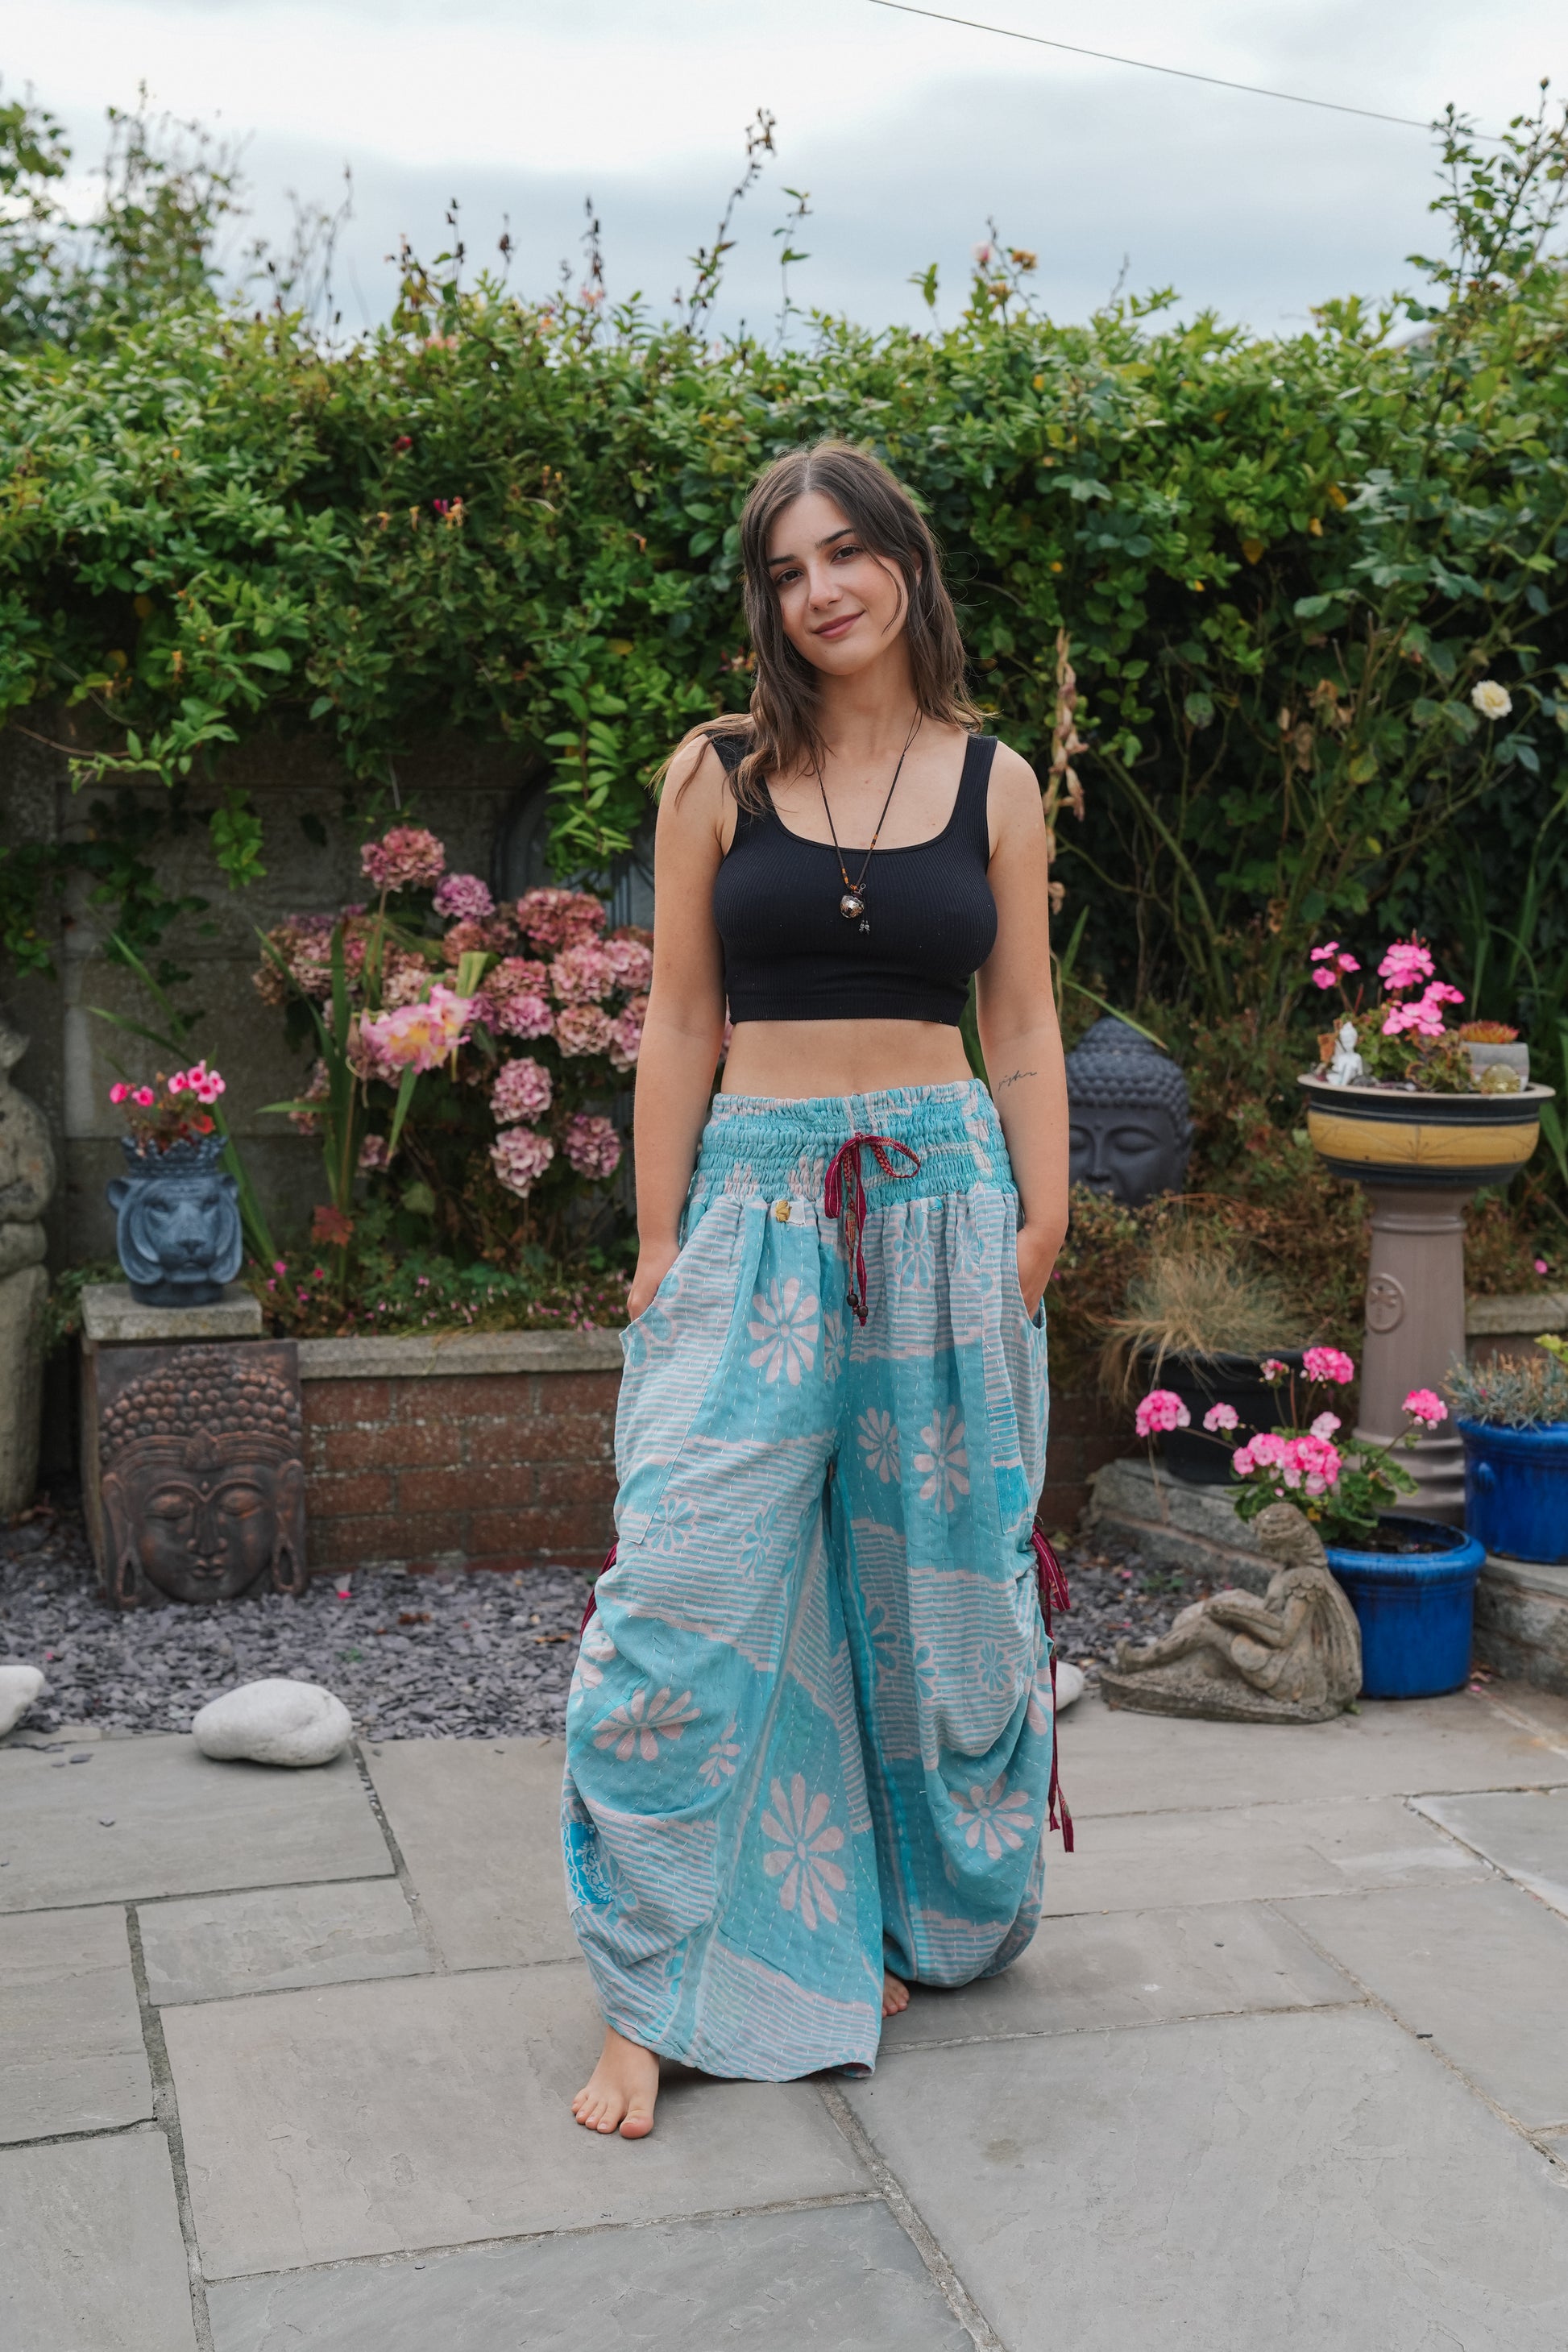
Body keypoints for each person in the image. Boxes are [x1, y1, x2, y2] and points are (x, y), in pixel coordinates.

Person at [563, 438, 1069, 2138]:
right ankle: (651, 1990)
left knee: (933, 1590)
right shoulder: (715, 769)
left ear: (905, 563)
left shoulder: (995, 782)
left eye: (846, 552)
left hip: (946, 1203)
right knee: (680, 1583)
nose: (819, 590)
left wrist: (1042, 1221)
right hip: (759, 1203)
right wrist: (658, 1242)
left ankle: (884, 1916)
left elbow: (1020, 1022)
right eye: (786, 569)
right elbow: (679, 1021)